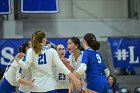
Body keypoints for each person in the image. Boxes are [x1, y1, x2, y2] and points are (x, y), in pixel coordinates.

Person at [15, 31, 81, 93]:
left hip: (35, 87)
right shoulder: (52, 51)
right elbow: (62, 67)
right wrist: (75, 79)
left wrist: (18, 60)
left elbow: (25, 66)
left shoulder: (30, 51)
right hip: (50, 87)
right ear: (44, 40)